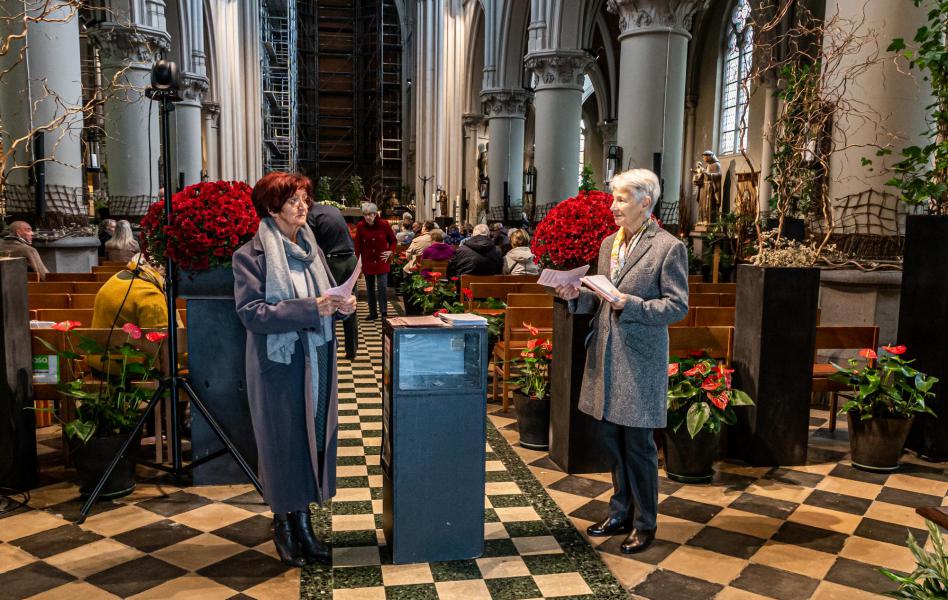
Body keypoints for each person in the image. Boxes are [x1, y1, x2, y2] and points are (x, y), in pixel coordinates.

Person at [553, 169, 688, 555]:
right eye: (613, 198)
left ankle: (645, 524)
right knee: (612, 439)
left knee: (639, 445)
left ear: (646, 202)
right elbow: (599, 296)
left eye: (621, 199)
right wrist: (573, 295)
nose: (613, 207)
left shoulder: (668, 247)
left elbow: (677, 306)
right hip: (607, 355)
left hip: (640, 359)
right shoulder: (609, 244)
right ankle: (619, 511)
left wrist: (632, 305)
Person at [233, 172, 357, 567]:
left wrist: (340, 307)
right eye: (293, 201)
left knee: (312, 439)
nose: (303, 206)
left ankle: (305, 522)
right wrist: (312, 308)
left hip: (316, 357)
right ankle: (284, 525)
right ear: (272, 208)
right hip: (278, 364)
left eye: (305, 198)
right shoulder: (249, 256)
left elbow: (324, 300)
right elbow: (252, 314)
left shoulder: (312, 249)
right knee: (282, 443)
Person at [308, 201, 359, 360]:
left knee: (328, 304)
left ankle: (328, 347)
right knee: (349, 305)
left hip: (334, 263)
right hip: (351, 260)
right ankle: (352, 350)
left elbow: (309, 243)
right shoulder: (331, 209)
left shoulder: (311, 215)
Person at [92, 253, 169, 329]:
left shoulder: (118, 276)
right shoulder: (151, 295)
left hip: (96, 340)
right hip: (117, 341)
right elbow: (160, 338)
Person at [354, 202, 397, 321]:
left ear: (375, 214)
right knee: (370, 288)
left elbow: (393, 241)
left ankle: (384, 312)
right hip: (368, 261)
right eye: (365, 214)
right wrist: (357, 263)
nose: (368, 217)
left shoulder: (384, 224)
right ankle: (373, 312)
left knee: (382, 287)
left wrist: (390, 251)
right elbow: (357, 245)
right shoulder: (361, 225)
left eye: (370, 214)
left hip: (382, 261)